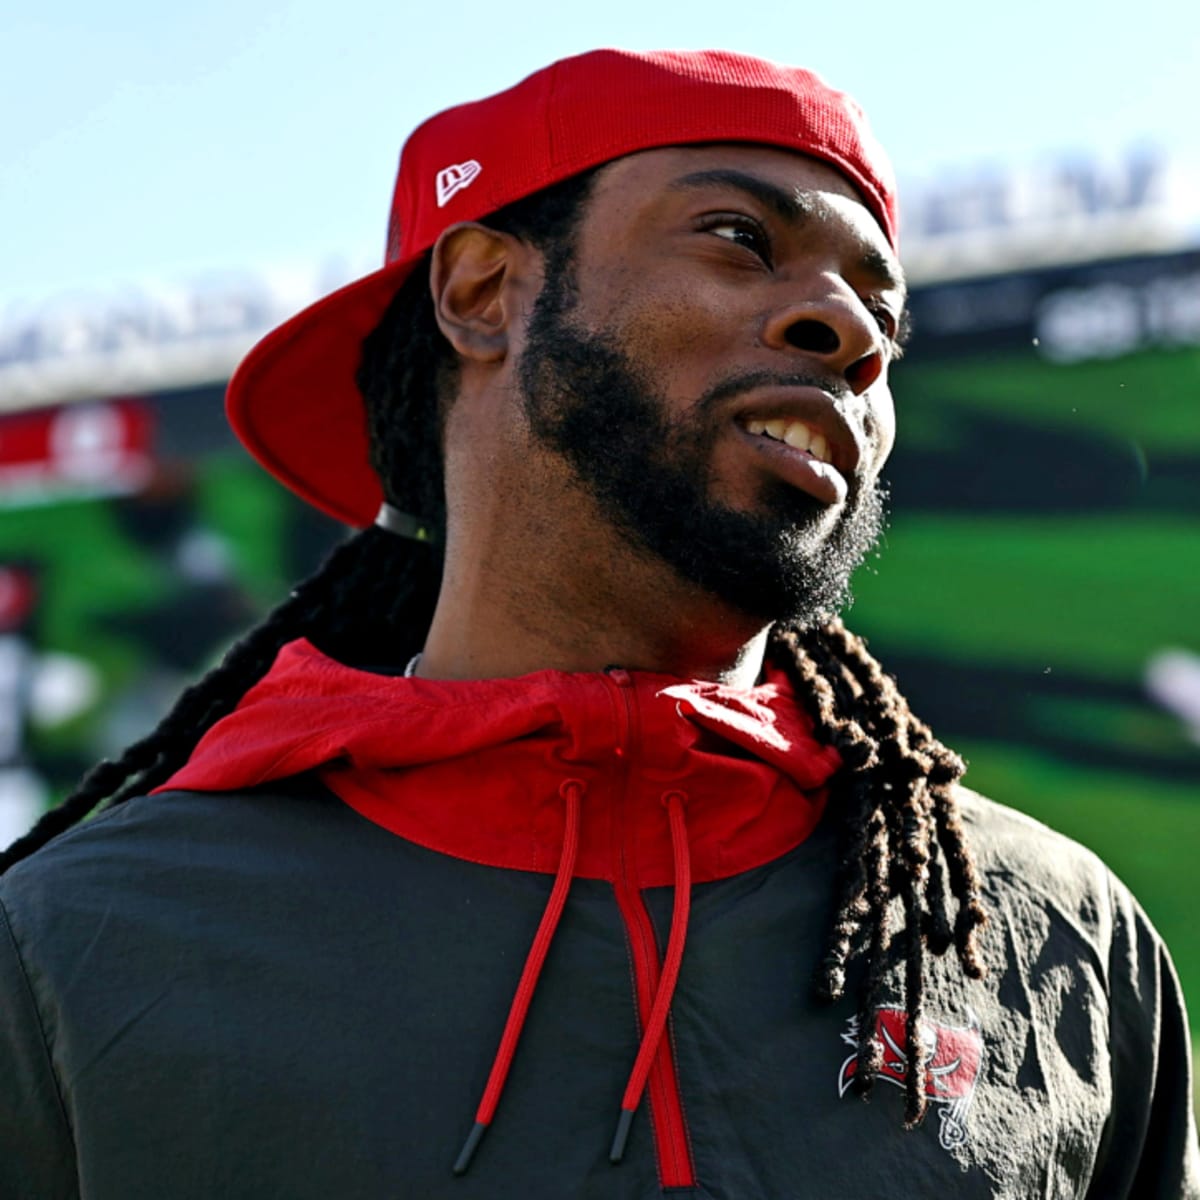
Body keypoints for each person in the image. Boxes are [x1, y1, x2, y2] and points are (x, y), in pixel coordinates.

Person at [1, 48, 1196, 1199]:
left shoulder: (1060, 945)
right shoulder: (71, 946)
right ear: (483, 292)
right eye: (740, 238)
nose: (854, 332)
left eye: (885, 308)